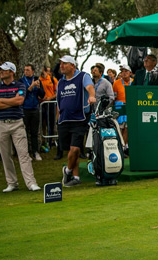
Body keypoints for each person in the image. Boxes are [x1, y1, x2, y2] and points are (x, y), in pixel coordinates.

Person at [0, 62, 41, 192]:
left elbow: (19, 101)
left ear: (11, 72)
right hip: (1, 124)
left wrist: (2, 101)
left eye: (4, 70)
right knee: (6, 156)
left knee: (23, 154)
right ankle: (12, 183)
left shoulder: (20, 85)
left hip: (17, 123)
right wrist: (10, 102)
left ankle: (31, 183)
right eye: (0, 70)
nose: (1, 72)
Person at [56, 55, 96, 187]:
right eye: (61, 63)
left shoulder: (83, 76)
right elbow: (58, 102)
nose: (61, 66)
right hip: (64, 120)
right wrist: (58, 118)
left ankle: (67, 170)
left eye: (65, 63)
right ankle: (76, 177)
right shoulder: (60, 82)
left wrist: (91, 96)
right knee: (73, 151)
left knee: (75, 149)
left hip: (79, 118)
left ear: (72, 65)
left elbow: (90, 87)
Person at [19, 64, 45, 161]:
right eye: (25, 70)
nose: (26, 72)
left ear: (33, 71)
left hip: (35, 109)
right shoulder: (21, 81)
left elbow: (42, 94)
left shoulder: (37, 80)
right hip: (25, 109)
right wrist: (30, 87)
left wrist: (38, 88)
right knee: (24, 132)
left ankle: (35, 152)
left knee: (34, 132)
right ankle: (25, 153)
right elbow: (21, 94)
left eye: (28, 70)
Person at [39, 65, 58, 150]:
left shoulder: (53, 80)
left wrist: (50, 98)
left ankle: (51, 141)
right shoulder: (38, 79)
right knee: (42, 124)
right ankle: (43, 141)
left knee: (50, 123)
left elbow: (57, 92)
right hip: (41, 104)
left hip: (51, 103)